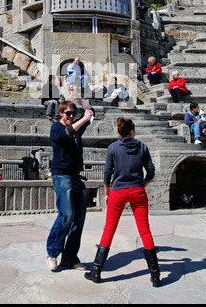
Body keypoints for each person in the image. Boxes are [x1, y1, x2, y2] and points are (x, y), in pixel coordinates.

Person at [85, 117, 160, 287]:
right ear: (132, 131)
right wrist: (144, 183)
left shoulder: (113, 148)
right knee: (145, 231)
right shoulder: (142, 146)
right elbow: (151, 170)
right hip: (137, 191)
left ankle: (96, 271)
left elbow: (107, 173)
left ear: (119, 132)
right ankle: (155, 275)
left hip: (118, 191)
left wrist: (107, 192)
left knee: (109, 230)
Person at [46, 85, 94, 271]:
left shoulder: (76, 128)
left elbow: (90, 111)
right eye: (68, 113)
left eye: (73, 113)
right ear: (60, 113)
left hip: (76, 178)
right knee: (67, 214)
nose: (71, 116)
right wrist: (83, 119)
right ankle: (52, 253)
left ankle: (70, 257)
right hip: (62, 176)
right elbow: (67, 134)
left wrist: (79, 97)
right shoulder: (56, 128)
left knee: (79, 219)